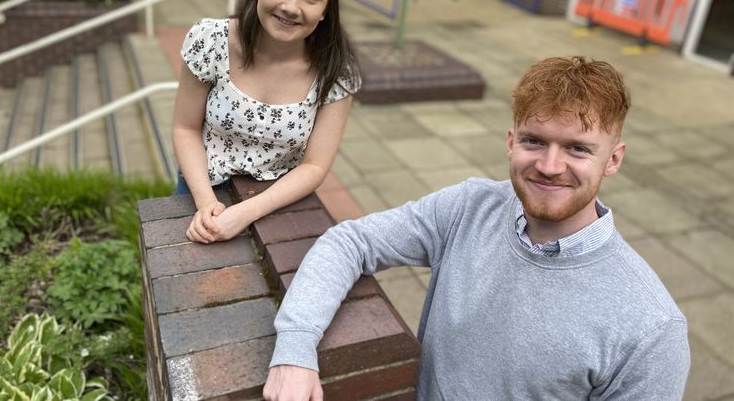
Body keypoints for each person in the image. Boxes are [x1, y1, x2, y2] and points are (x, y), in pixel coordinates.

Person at [263, 56, 690, 400]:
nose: (549, 165)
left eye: (577, 148)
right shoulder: (470, 208)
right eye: (534, 141)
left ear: (613, 160)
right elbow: (350, 241)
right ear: (510, 141)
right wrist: (296, 350)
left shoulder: (651, 330)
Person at [172, 0, 360, 244]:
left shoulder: (337, 69)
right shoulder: (210, 41)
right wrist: (207, 203)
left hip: (281, 200)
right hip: (202, 187)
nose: (290, 6)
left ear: (326, 9)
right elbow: (185, 128)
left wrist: (245, 213)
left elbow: (314, 166)